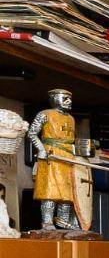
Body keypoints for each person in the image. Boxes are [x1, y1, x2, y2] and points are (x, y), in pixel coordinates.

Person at [27, 89, 80, 230]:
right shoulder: (44, 114)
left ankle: (62, 220)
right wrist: (41, 149)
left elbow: (71, 139)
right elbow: (32, 133)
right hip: (51, 155)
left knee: (68, 191)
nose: (68, 101)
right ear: (55, 98)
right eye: (65, 98)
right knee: (50, 190)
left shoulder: (71, 118)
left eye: (70, 98)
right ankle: (47, 222)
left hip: (68, 156)